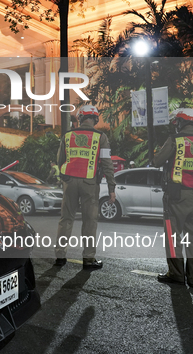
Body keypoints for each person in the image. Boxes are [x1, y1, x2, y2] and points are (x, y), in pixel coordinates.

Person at [153, 108, 193, 289]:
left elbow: (157, 162)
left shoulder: (176, 140)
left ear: (180, 123)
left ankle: (176, 274)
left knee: (173, 237)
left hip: (178, 196)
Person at [54, 105, 116, 269]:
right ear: (95, 119)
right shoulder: (100, 137)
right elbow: (108, 164)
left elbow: (60, 159)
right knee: (89, 221)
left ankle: (60, 256)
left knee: (66, 219)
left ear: (80, 118)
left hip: (70, 182)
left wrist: (64, 178)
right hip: (90, 183)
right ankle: (88, 259)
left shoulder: (68, 136)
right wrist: (111, 188)